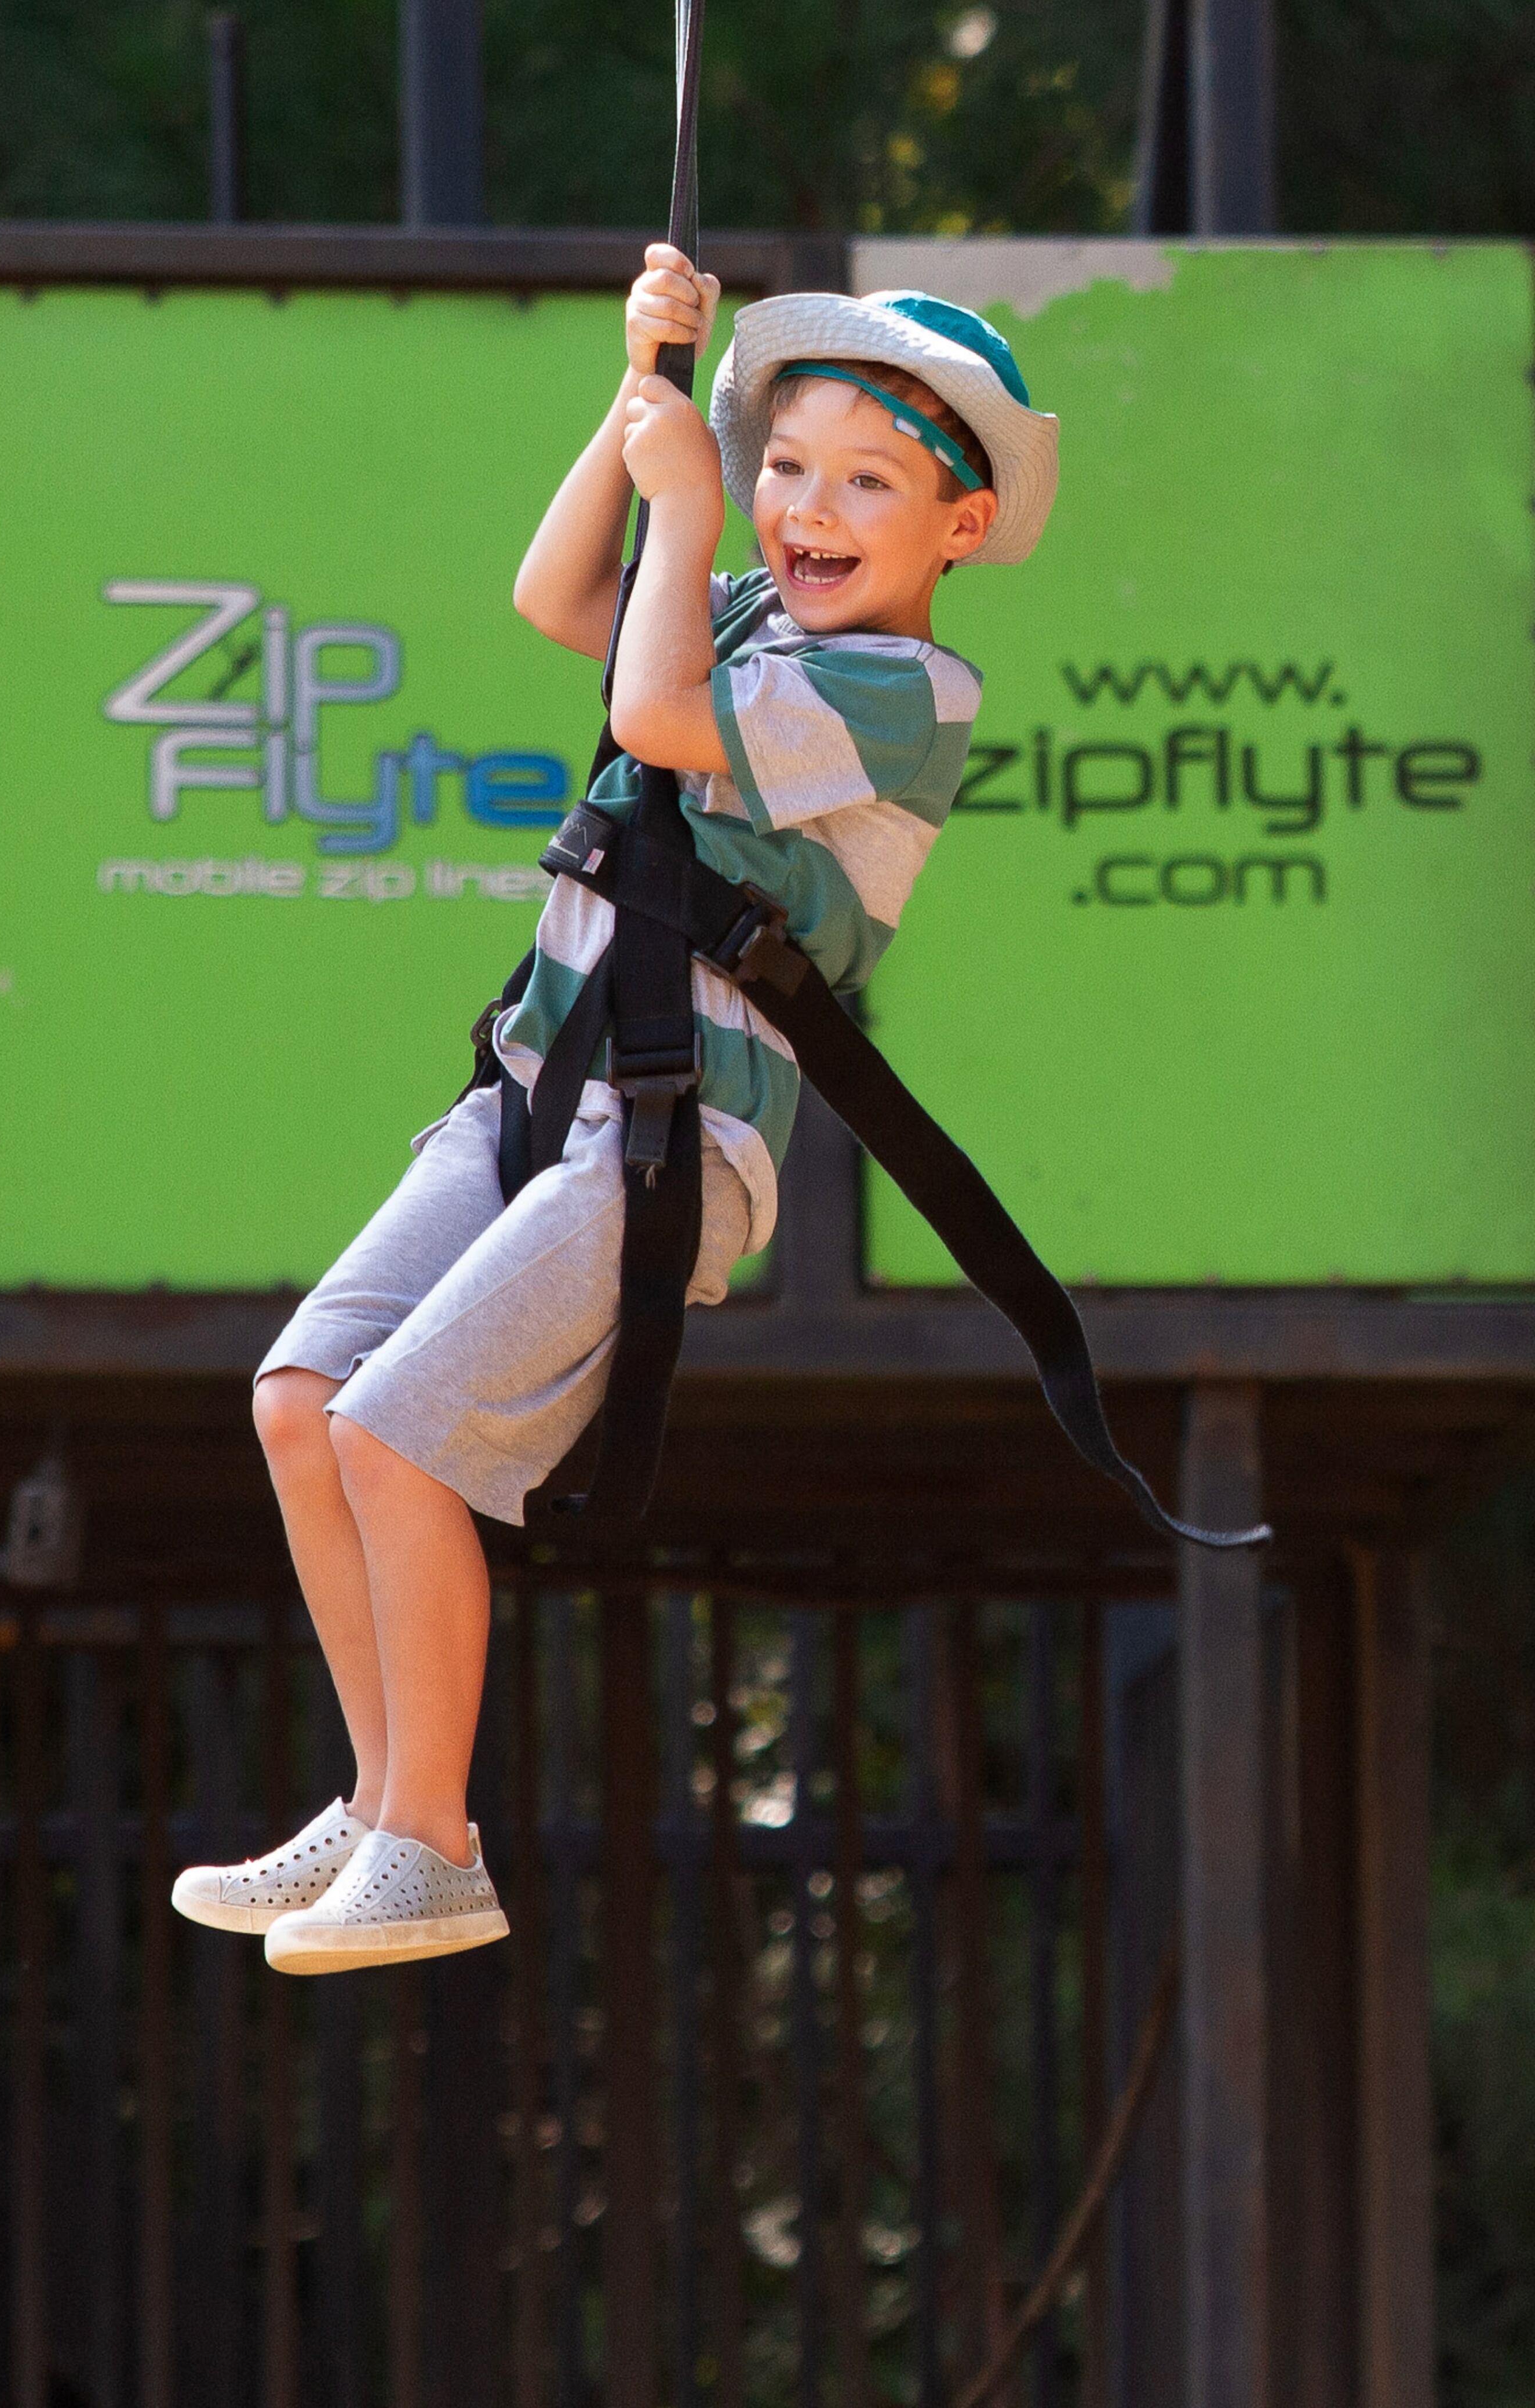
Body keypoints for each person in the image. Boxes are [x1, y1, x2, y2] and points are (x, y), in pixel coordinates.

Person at [171, 246, 1060, 1975]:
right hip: (539, 1080)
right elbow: (551, 591)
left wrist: (690, 498)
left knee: (391, 1435)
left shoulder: (901, 696)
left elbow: (649, 708)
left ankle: (430, 1841)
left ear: (953, 529)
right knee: (300, 1401)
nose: (802, 508)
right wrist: (638, 393)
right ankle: (384, 1799)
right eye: (785, 464)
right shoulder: (737, 605)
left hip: (671, 1136)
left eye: (863, 481)